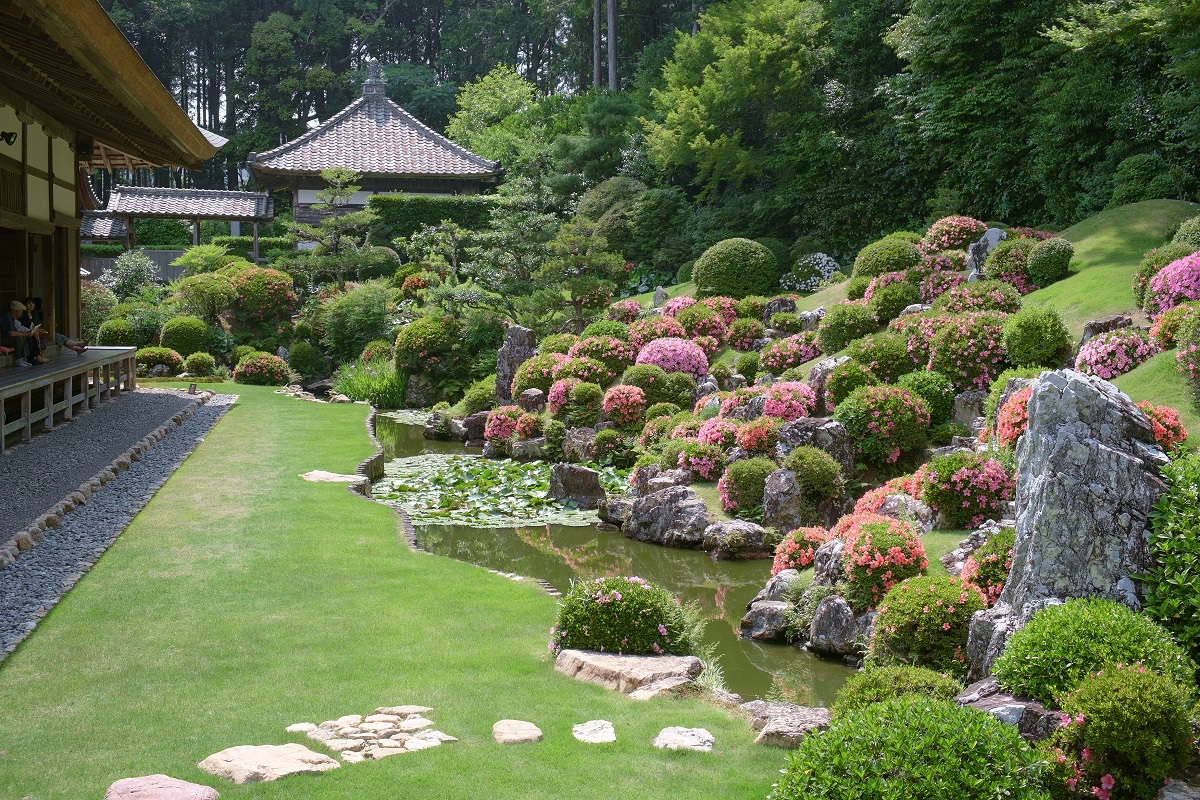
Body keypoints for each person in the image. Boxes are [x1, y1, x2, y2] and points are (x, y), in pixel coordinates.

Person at [1, 300, 46, 365]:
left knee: (25, 337)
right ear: (16, 311)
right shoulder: (7, 317)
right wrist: (26, 334)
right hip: (3, 339)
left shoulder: (13, 318)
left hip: (7, 338)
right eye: (21, 311)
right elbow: (11, 333)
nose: (22, 313)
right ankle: (18, 360)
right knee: (19, 339)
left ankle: (26, 359)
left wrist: (31, 332)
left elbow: (20, 328)